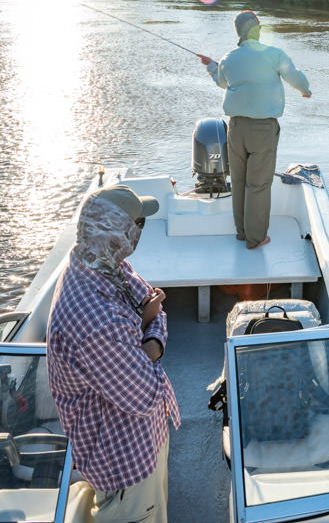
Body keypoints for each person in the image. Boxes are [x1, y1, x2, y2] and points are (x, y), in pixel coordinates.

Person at [46, 184, 181, 523]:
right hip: (126, 465)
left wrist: (148, 344)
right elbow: (146, 395)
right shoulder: (95, 321)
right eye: (139, 223)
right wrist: (149, 337)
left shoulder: (100, 262)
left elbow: (157, 308)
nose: (141, 230)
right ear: (119, 233)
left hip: (144, 441)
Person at [199, 10, 311, 249]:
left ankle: (242, 233)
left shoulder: (229, 57)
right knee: (258, 185)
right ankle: (256, 238)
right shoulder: (273, 54)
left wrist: (211, 66)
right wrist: (305, 90)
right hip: (262, 129)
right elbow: (295, 77)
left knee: (238, 181)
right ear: (254, 28)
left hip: (236, 128)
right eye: (258, 25)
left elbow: (221, 81)